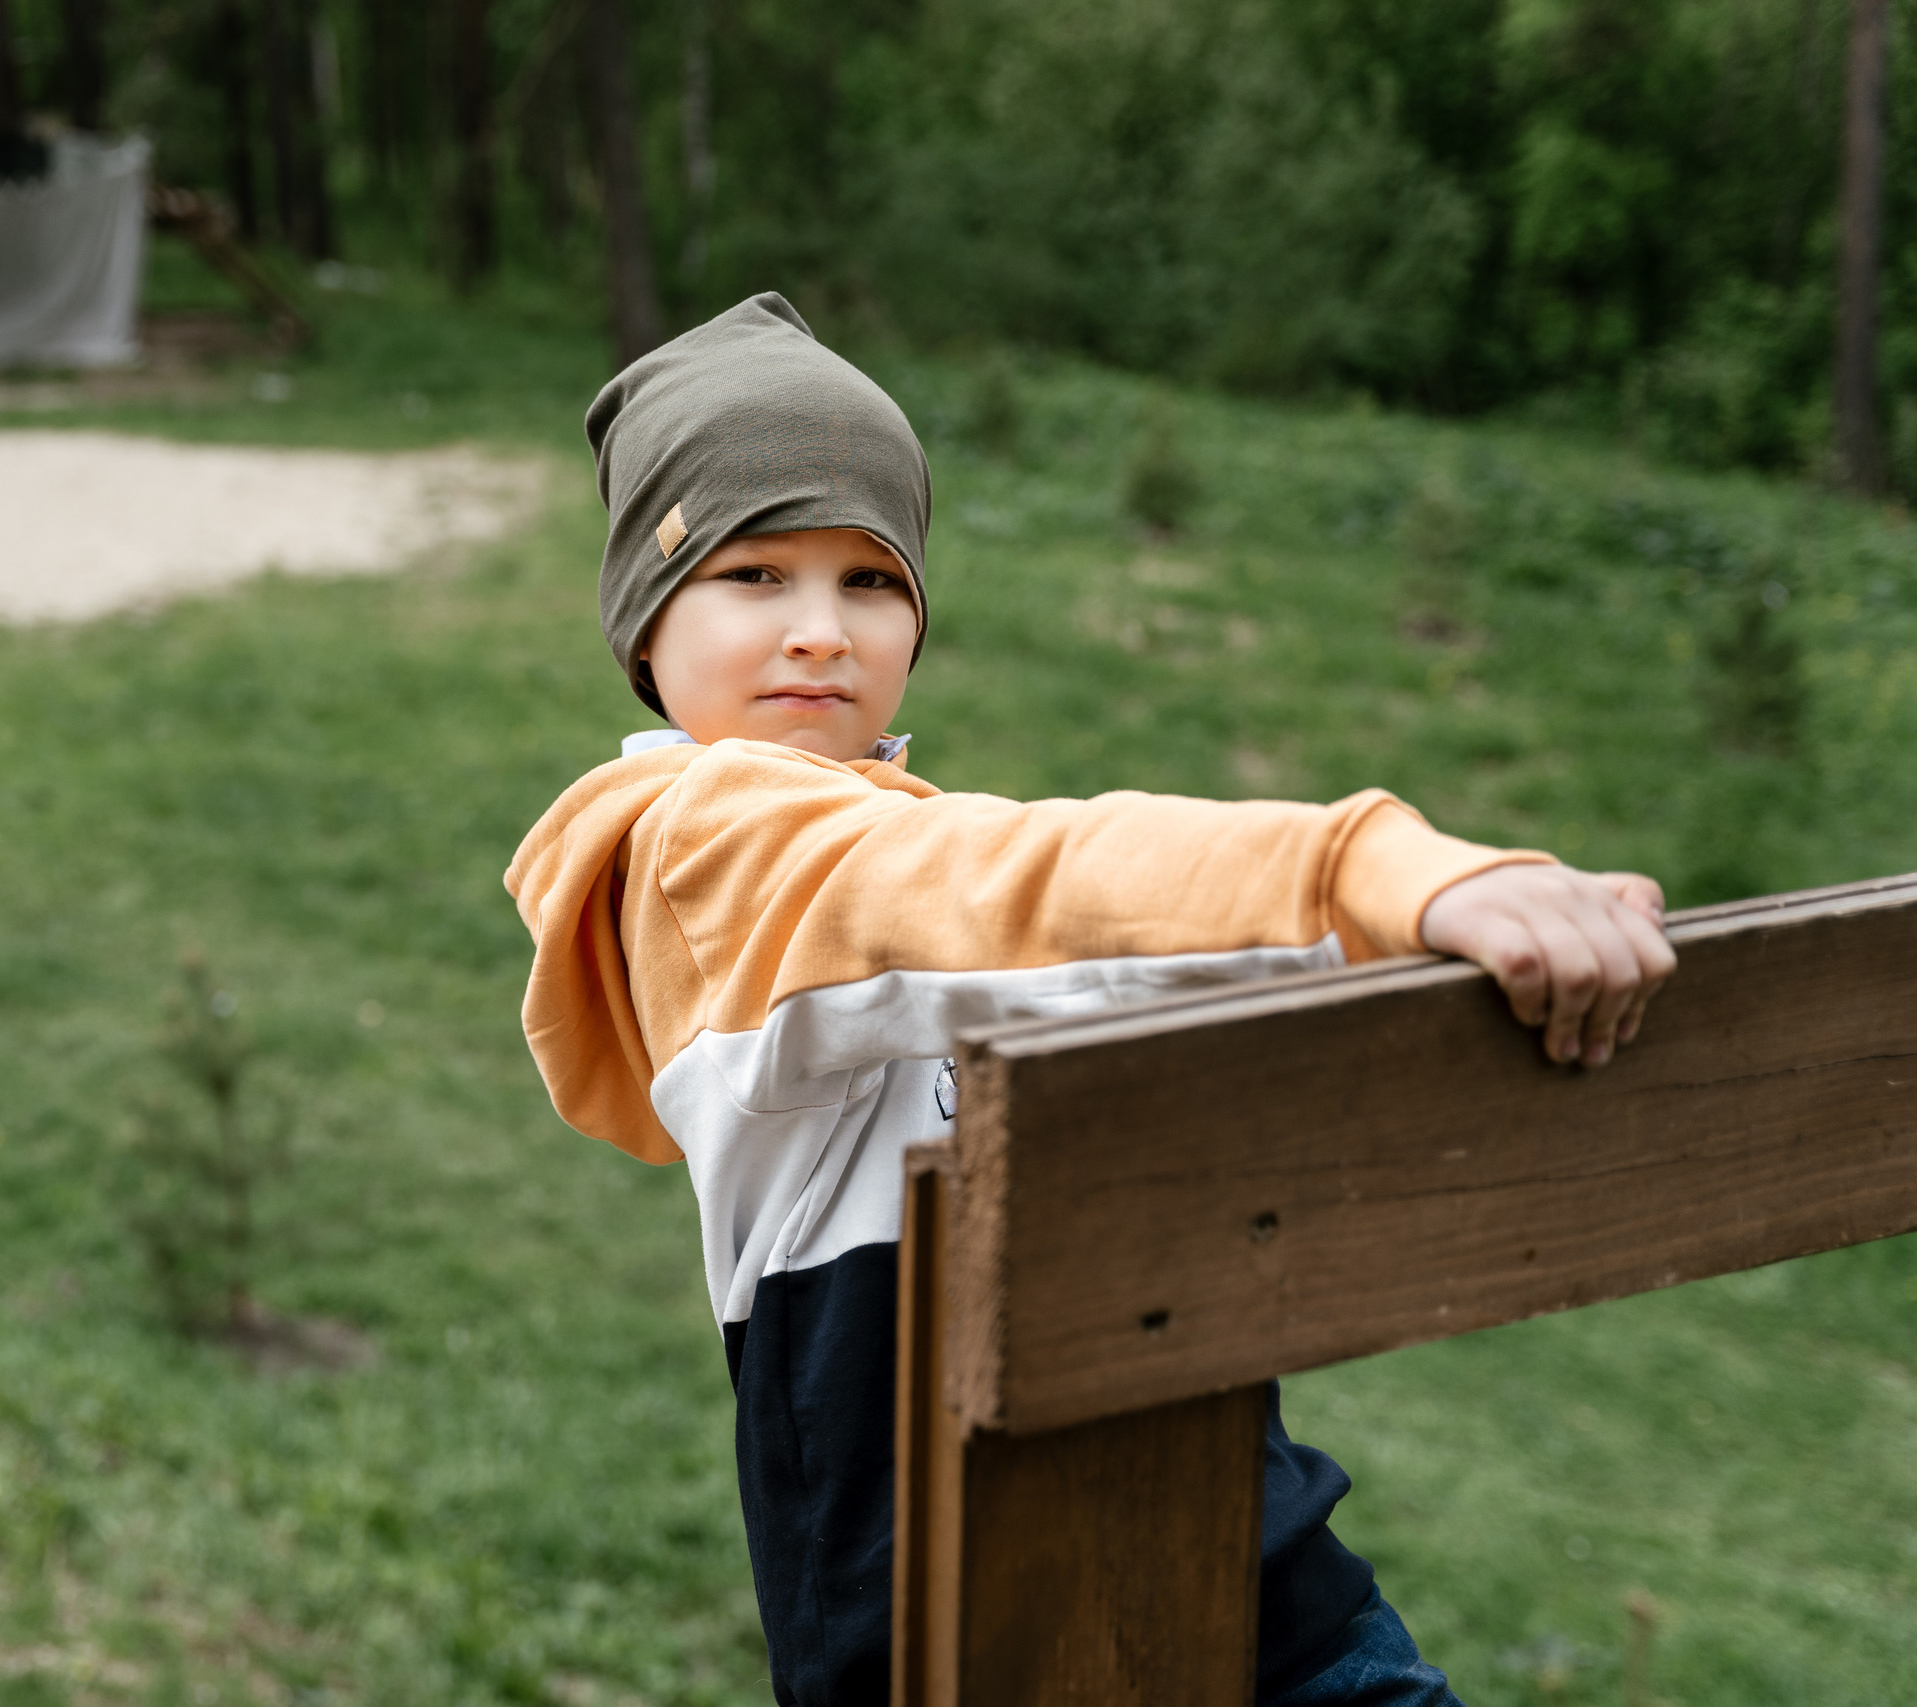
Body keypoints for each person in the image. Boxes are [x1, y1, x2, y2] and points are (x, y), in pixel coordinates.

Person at [502, 294, 1675, 1706]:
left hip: (1250, 1570)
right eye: (756, 575)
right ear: (646, 621)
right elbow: (1006, 888)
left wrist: (1459, 937)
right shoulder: (707, 856)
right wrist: (1363, 870)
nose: (822, 630)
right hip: (979, 1632)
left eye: (871, 581)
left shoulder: (888, 836)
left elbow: (1115, 952)